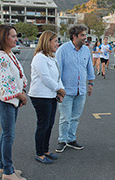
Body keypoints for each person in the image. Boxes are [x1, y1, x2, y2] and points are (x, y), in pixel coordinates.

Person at [0, 24, 27, 180]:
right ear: (3, 38)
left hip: (11, 101)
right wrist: (21, 96)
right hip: (6, 102)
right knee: (8, 136)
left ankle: (3, 167)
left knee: (6, 135)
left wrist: (22, 90)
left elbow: (18, 75)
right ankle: (8, 172)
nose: (16, 39)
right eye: (12, 36)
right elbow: (6, 84)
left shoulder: (8, 54)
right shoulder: (1, 57)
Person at [55, 24, 95, 153]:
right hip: (66, 91)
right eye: (82, 35)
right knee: (65, 117)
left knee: (75, 117)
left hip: (81, 90)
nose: (85, 37)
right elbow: (57, 70)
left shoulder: (86, 50)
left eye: (85, 35)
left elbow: (89, 67)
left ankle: (71, 139)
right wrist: (59, 89)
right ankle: (62, 140)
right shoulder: (63, 50)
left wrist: (90, 83)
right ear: (74, 36)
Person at [28, 31, 66, 164]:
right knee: (43, 124)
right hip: (40, 96)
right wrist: (59, 90)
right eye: (55, 41)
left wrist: (61, 92)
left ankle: (46, 150)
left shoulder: (51, 57)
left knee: (50, 124)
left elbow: (57, 76)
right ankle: (39, 153)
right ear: (47, 42)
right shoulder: (39, 58)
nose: (57, 44)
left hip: (51, 95)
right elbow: (46, 78)